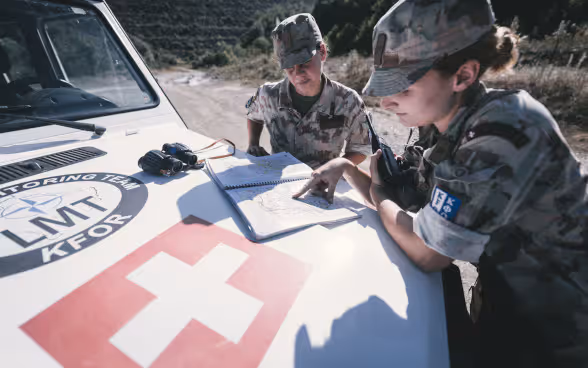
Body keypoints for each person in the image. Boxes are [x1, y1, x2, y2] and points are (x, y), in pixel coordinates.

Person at [293, 0, 588, 367]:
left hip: (559, 327)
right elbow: (413, 207)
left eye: (403, 87)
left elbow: (428, 250)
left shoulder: (503, 128)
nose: (386, 101)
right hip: (509, 296)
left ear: (463, 75)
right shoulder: (444, 124)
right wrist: (347, 168)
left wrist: (381, 194)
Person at [245, 13, 371, 169]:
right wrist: (253, 144)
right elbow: (253, 115)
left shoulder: (348, 101)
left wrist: (334, 169)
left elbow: (361, 148)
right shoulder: (268, 95)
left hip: (322, 187)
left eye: (304, 62)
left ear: (322, 52)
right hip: (278, 184)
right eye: (289, 66)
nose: (297, 73)